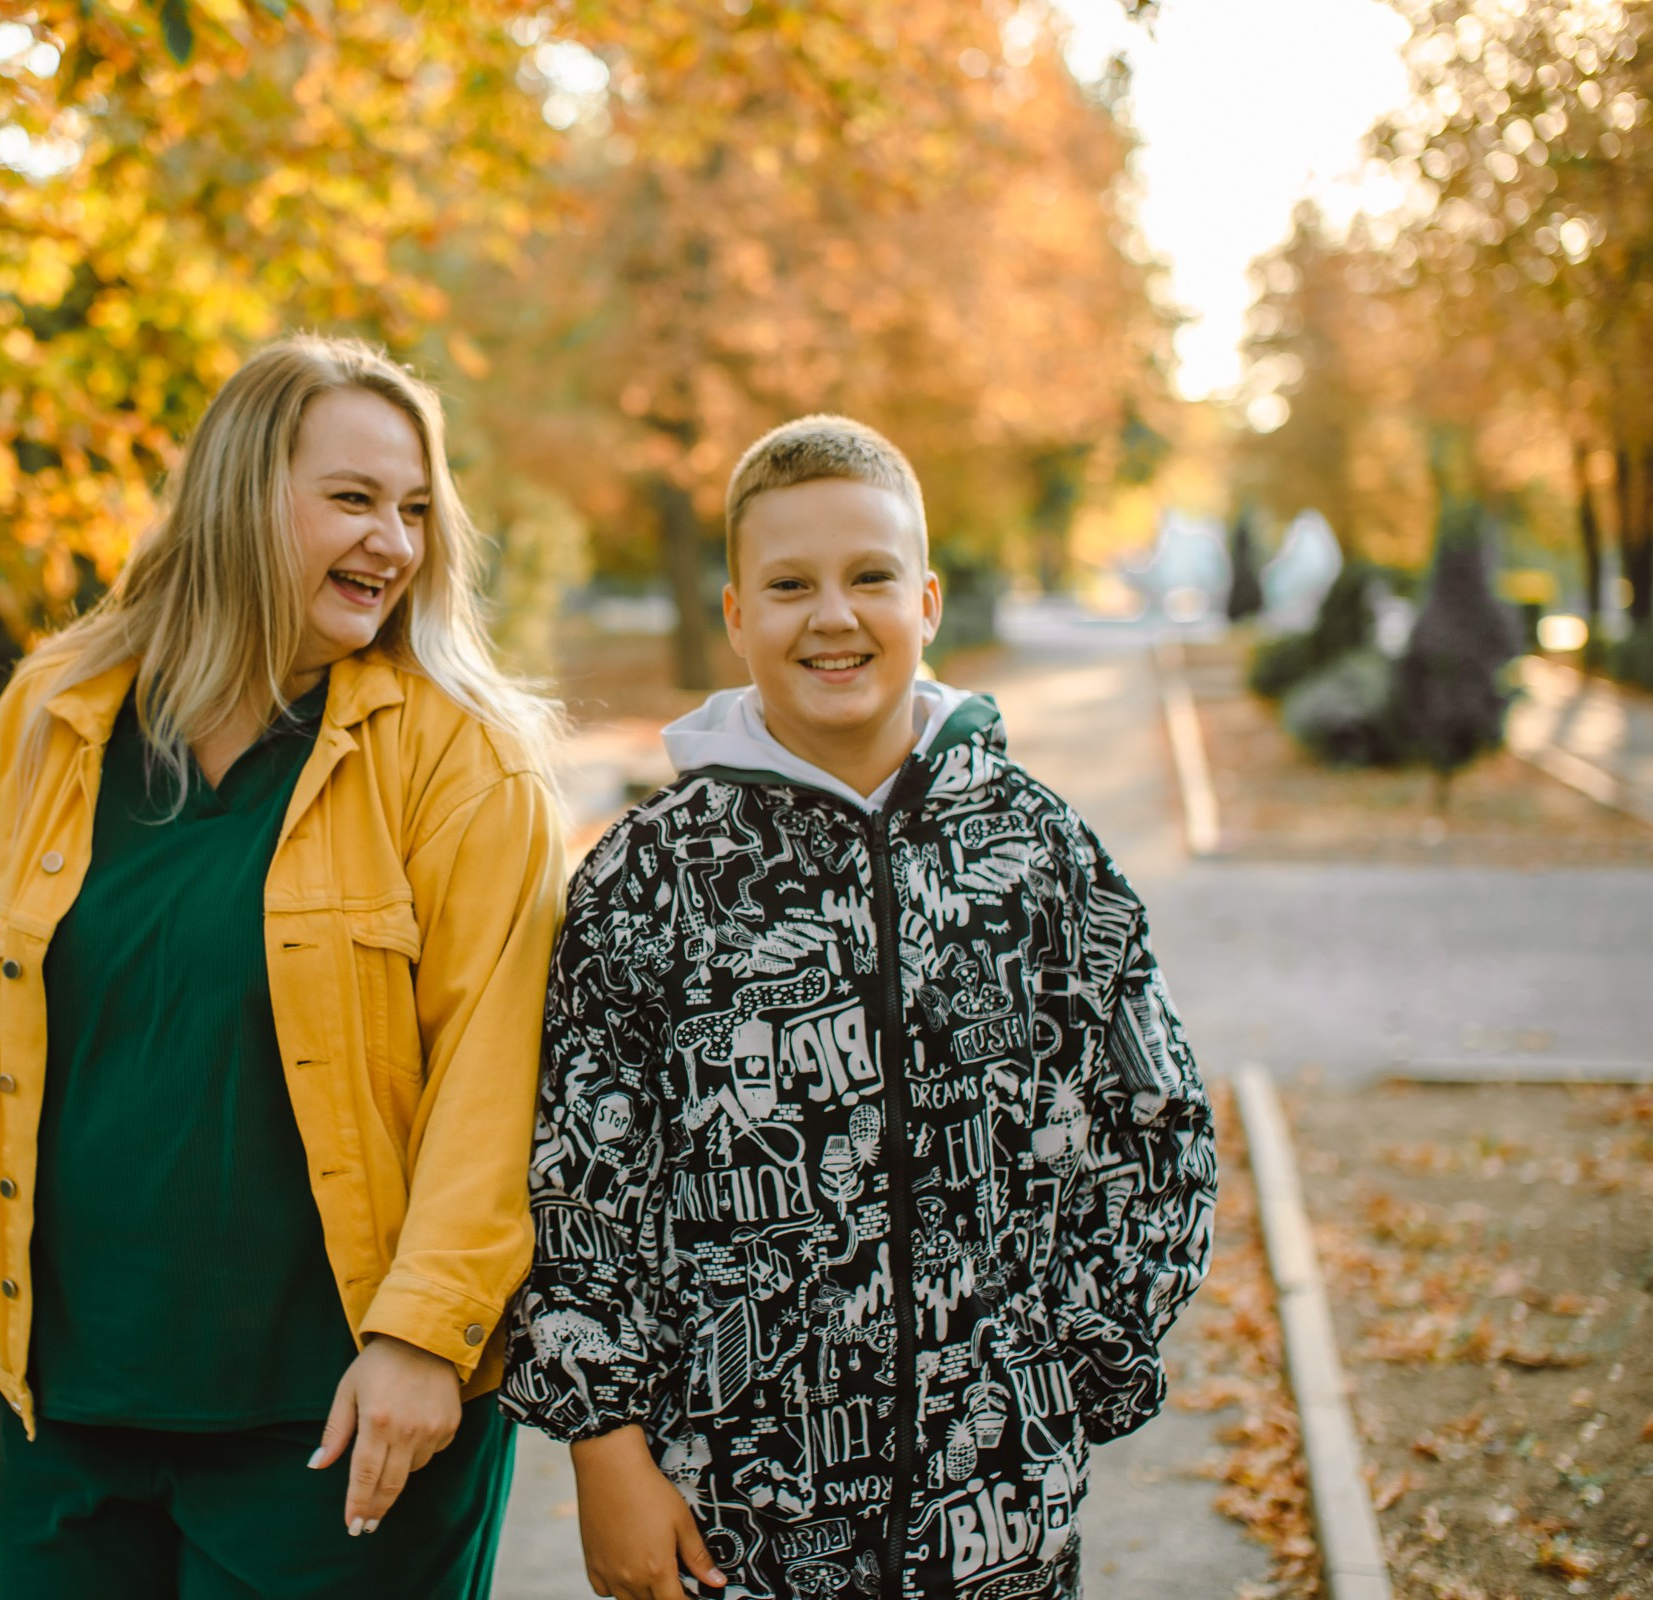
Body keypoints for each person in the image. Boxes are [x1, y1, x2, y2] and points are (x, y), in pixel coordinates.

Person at [0, 335, 565, 1597]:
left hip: (344, 1422)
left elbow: (500, 1072)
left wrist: (422, 1339)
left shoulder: (461, 764)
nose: (392, 543)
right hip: (73, 1406)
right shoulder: (55, 715)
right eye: (352, 499)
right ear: (240, 497)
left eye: (412, 509)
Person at [501, 416, 1218, 1600]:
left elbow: (1158, 1117)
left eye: (869, 577)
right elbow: (578, 1182)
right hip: (728, 1522)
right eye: (789, 584)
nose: (832, 616)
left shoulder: (1039, 852)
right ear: (736, 614)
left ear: (926, 600)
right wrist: (607, 1445)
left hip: (997, 1522)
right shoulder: (647, 878)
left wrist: (1076, 1370)